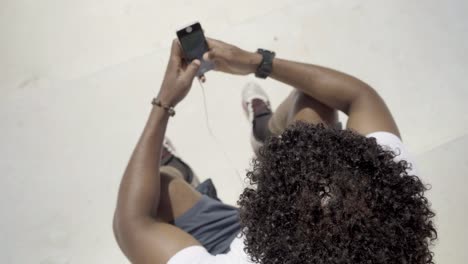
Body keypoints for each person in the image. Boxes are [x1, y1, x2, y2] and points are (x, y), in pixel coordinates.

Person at [113, 38, 437, 264]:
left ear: (269, 215)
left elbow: (132, 222)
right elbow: (358, 96)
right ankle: (264, 133)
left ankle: (181, 174)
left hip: (233, 246)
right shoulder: (389, 195)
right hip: (282, 237)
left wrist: (164, 102)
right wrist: (255, 61)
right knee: (313, 106)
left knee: (158, 186)